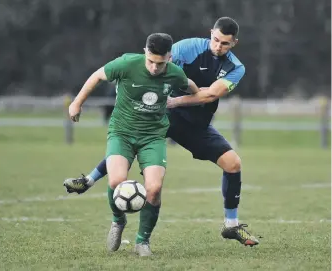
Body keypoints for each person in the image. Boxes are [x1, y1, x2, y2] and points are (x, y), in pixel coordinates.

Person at [64, 17, 260, 247]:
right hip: (163, 115)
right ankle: (88, 180)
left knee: (233, 163)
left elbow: (210, 95)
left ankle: (231, 225)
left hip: (195, 123)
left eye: (225, 43)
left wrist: (175, 102)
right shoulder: (189, 48)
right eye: (215, 40)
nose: (218, 46)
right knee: (130, 141)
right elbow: (157, 66)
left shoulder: (235, 68)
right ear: (211, 33)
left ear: (234, 43)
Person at [67, 32, 200, 257]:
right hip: (122, 132)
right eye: (150, 61)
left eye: (160, 63)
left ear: (169, 57)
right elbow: (97, 76)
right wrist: (77, 103)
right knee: (116, 180)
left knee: (154, 189)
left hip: (153, 136)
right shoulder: (127, 64)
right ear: (145, 52)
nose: (154, 68)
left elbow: (192, 88)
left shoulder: (175, 74)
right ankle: (118, 221)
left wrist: (186, 102)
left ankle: (142, 241)